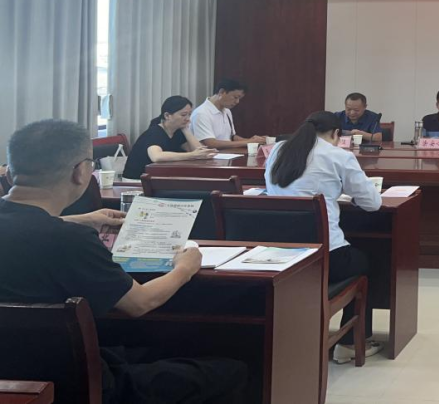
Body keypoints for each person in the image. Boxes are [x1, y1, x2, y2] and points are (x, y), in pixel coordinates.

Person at [0, 119, 245, 403]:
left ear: (10, 173)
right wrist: (184, 268)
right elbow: (139, 303)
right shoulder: (70, 241)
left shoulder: (61, 232)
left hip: (17, 375)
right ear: (81, 172)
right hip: (78, 384)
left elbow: (24, 226)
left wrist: (82, 219)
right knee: (231, 370)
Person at [264, 111, 383, 362]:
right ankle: (349, 344)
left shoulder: (279, 150)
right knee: (367, 260)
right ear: (336, 133)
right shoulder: (339, 155)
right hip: (325, 257)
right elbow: (372, 203)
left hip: (279, 254)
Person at [123, 96, 217, 179]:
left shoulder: (177, 131)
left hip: (157, 177)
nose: (188, 119)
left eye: (189, 114)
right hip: (137, 181)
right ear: (167, 115)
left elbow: (200, 151)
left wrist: (185, 129)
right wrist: (192, 155)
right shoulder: (155, 132)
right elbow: (156, 156)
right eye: (183, 115)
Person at [190, 78, 266, 149]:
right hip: (209, 156)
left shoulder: (227, 111)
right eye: (235, 97)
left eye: (239, 98)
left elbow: (232, 137)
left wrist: (253, 140)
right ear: (221, 92)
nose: (237, 102)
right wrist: (248, 142)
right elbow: (210, 143)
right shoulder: (201, 113)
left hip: (227, 154)